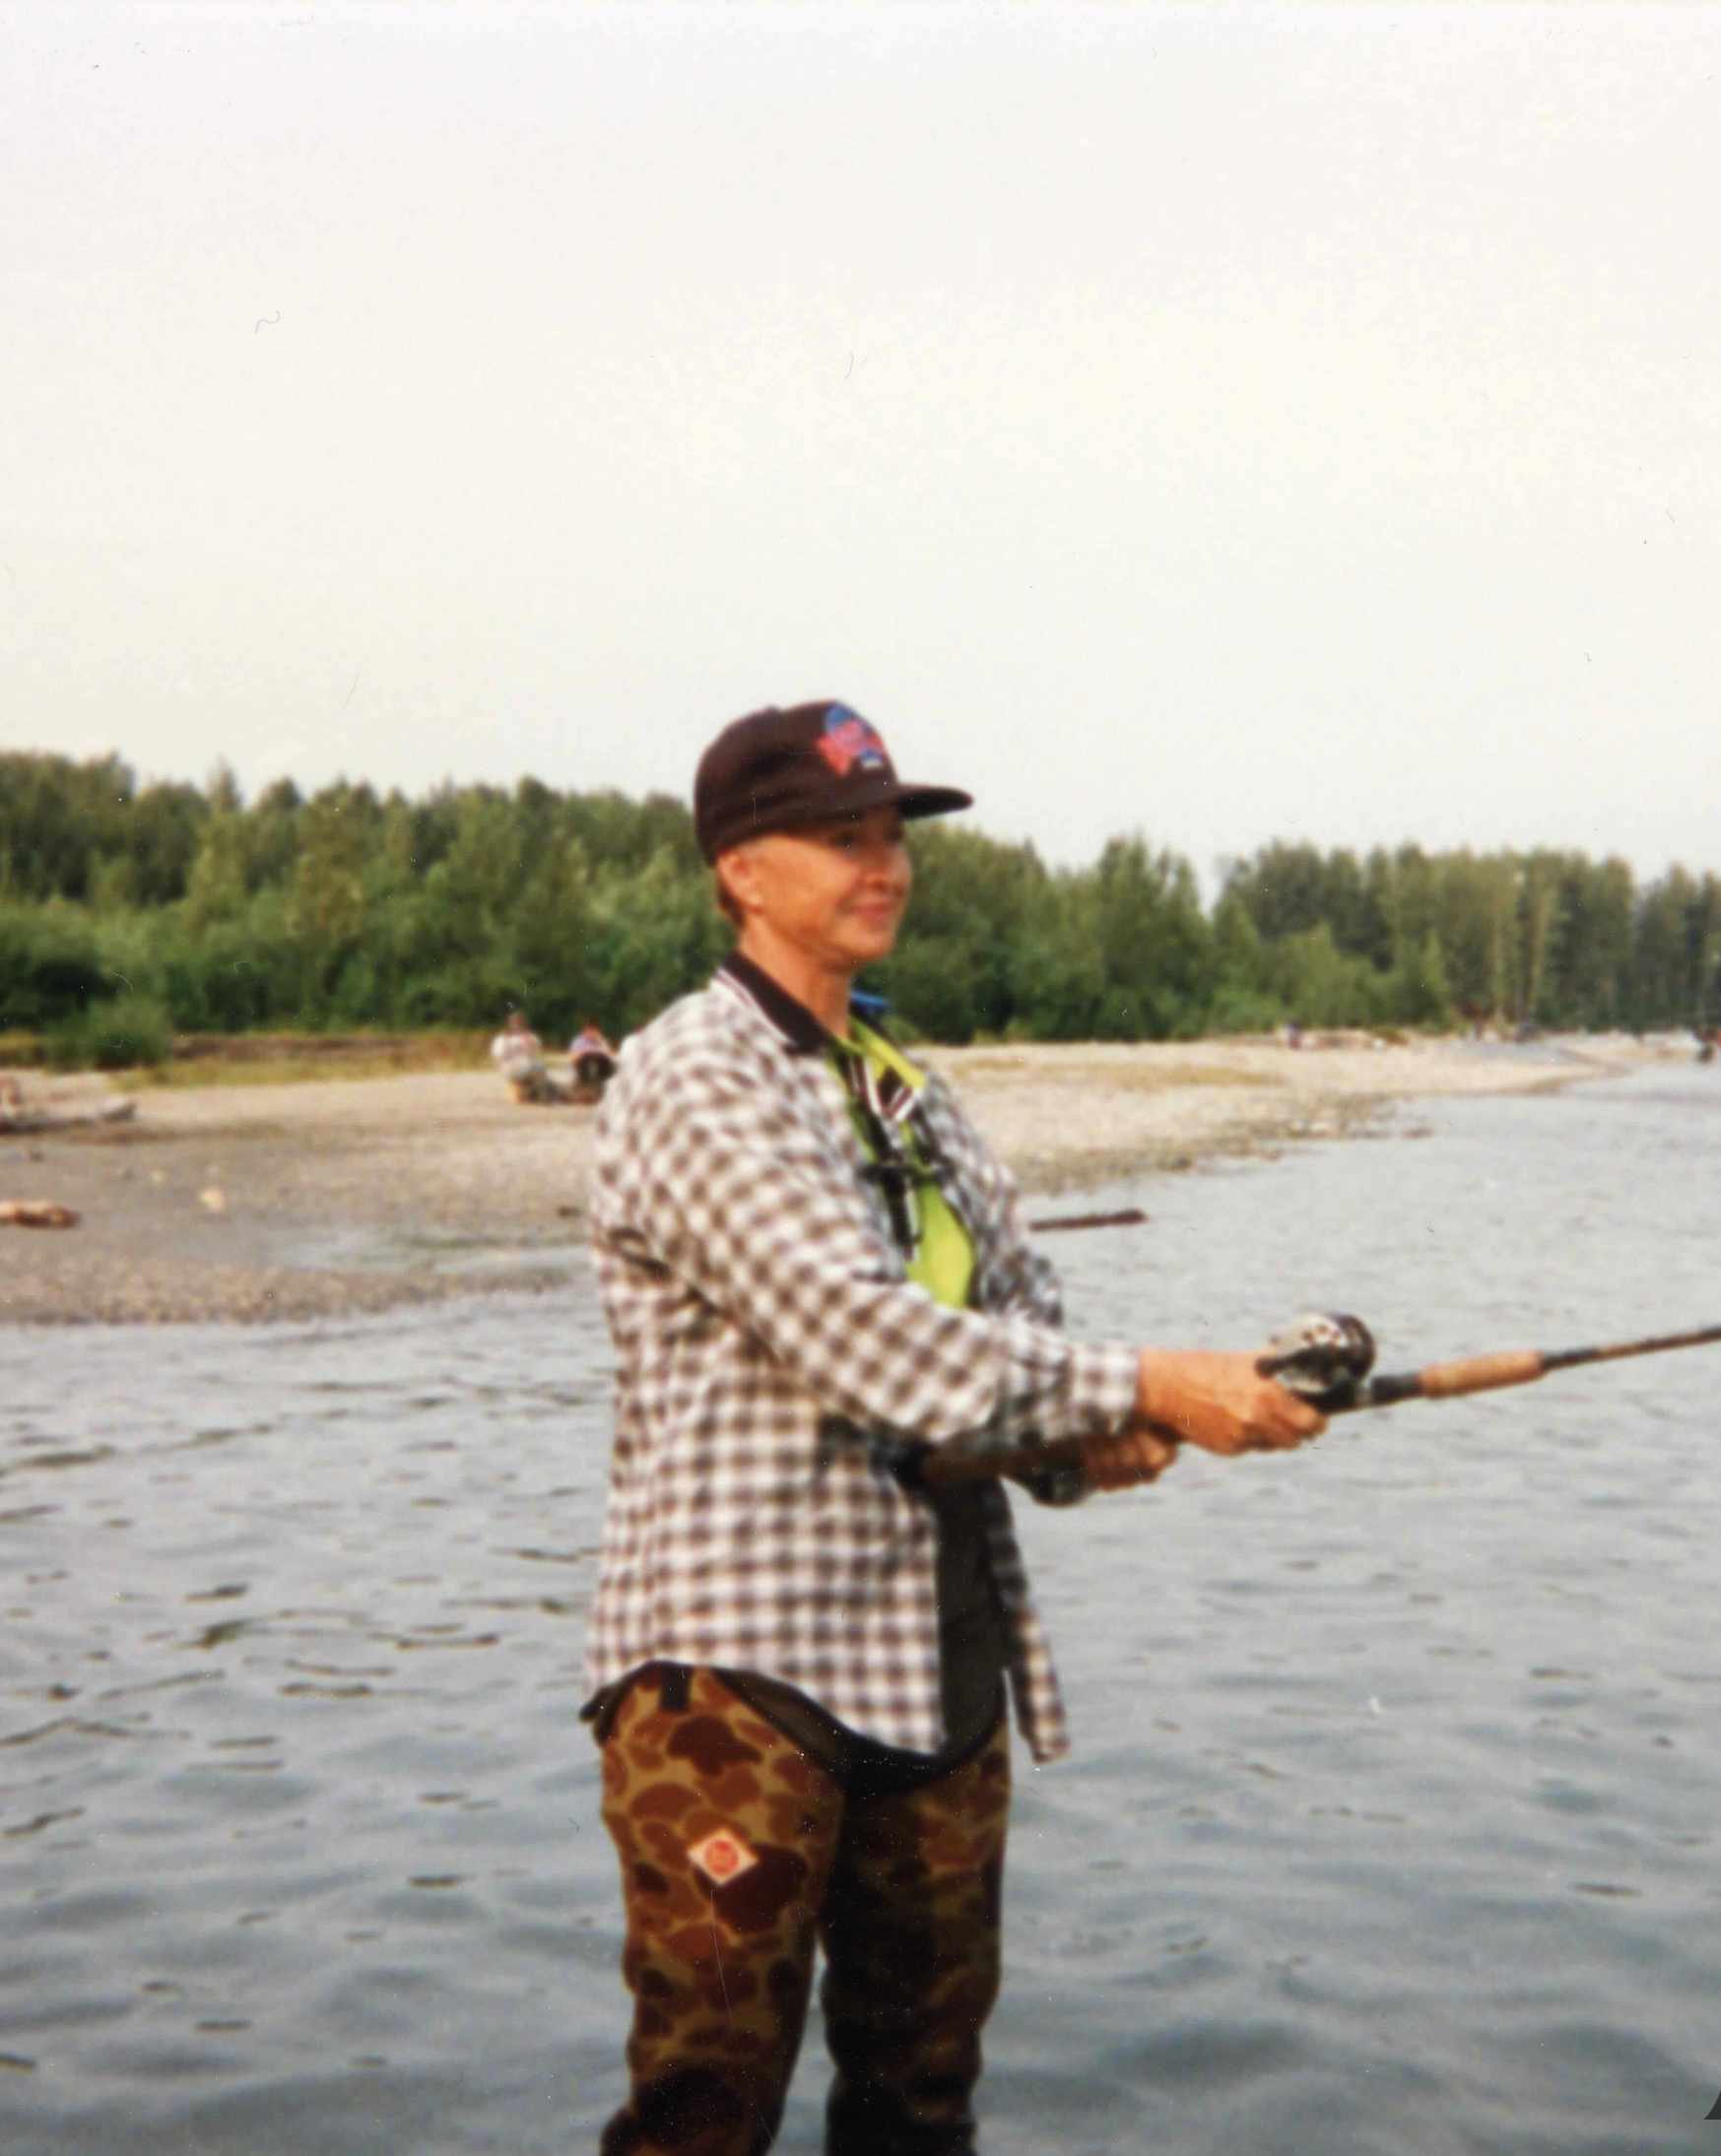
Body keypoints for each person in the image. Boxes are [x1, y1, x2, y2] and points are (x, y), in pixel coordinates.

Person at [581, 699, 1325, 2156]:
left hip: (939, 1660)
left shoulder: (906, 1088)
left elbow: (1023, 1323)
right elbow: (871, 1345)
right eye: (840, 838)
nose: (883, 865)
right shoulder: (692, 1077)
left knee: (921, 2105)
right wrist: (1148, 1384)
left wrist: (1088, 1443)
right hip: (739, 1675)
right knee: (705, 2111)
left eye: (891, 836)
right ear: (740, 870)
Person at [491, 1009, 560, 1104]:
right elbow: (498, 1057)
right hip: (512, 1067)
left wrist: (528, 1042)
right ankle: (540, 1094)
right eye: (515, 1022)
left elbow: (536, 1053)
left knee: (538, 1066)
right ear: (510, 1024)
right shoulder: (502, 1039)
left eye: (519, 1022)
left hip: (528, 1066)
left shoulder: (531, 1037)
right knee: (535, 1068)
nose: (517, 1025)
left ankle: (542, 1094)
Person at [569, 1017, 618, 1102]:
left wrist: (601, 1043)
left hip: (600, 1066)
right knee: (587, 1059)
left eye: (594, 1031)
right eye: (589, 1031)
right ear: (585, 1031)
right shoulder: (578, 1041)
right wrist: (586, 1052)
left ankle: (605, 1091)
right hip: (583, 1066)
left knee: (606, 1062)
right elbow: (573, 1059)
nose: (591, 1033)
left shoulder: (601, 1041)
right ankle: (586, 1092)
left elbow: (611, 1056)